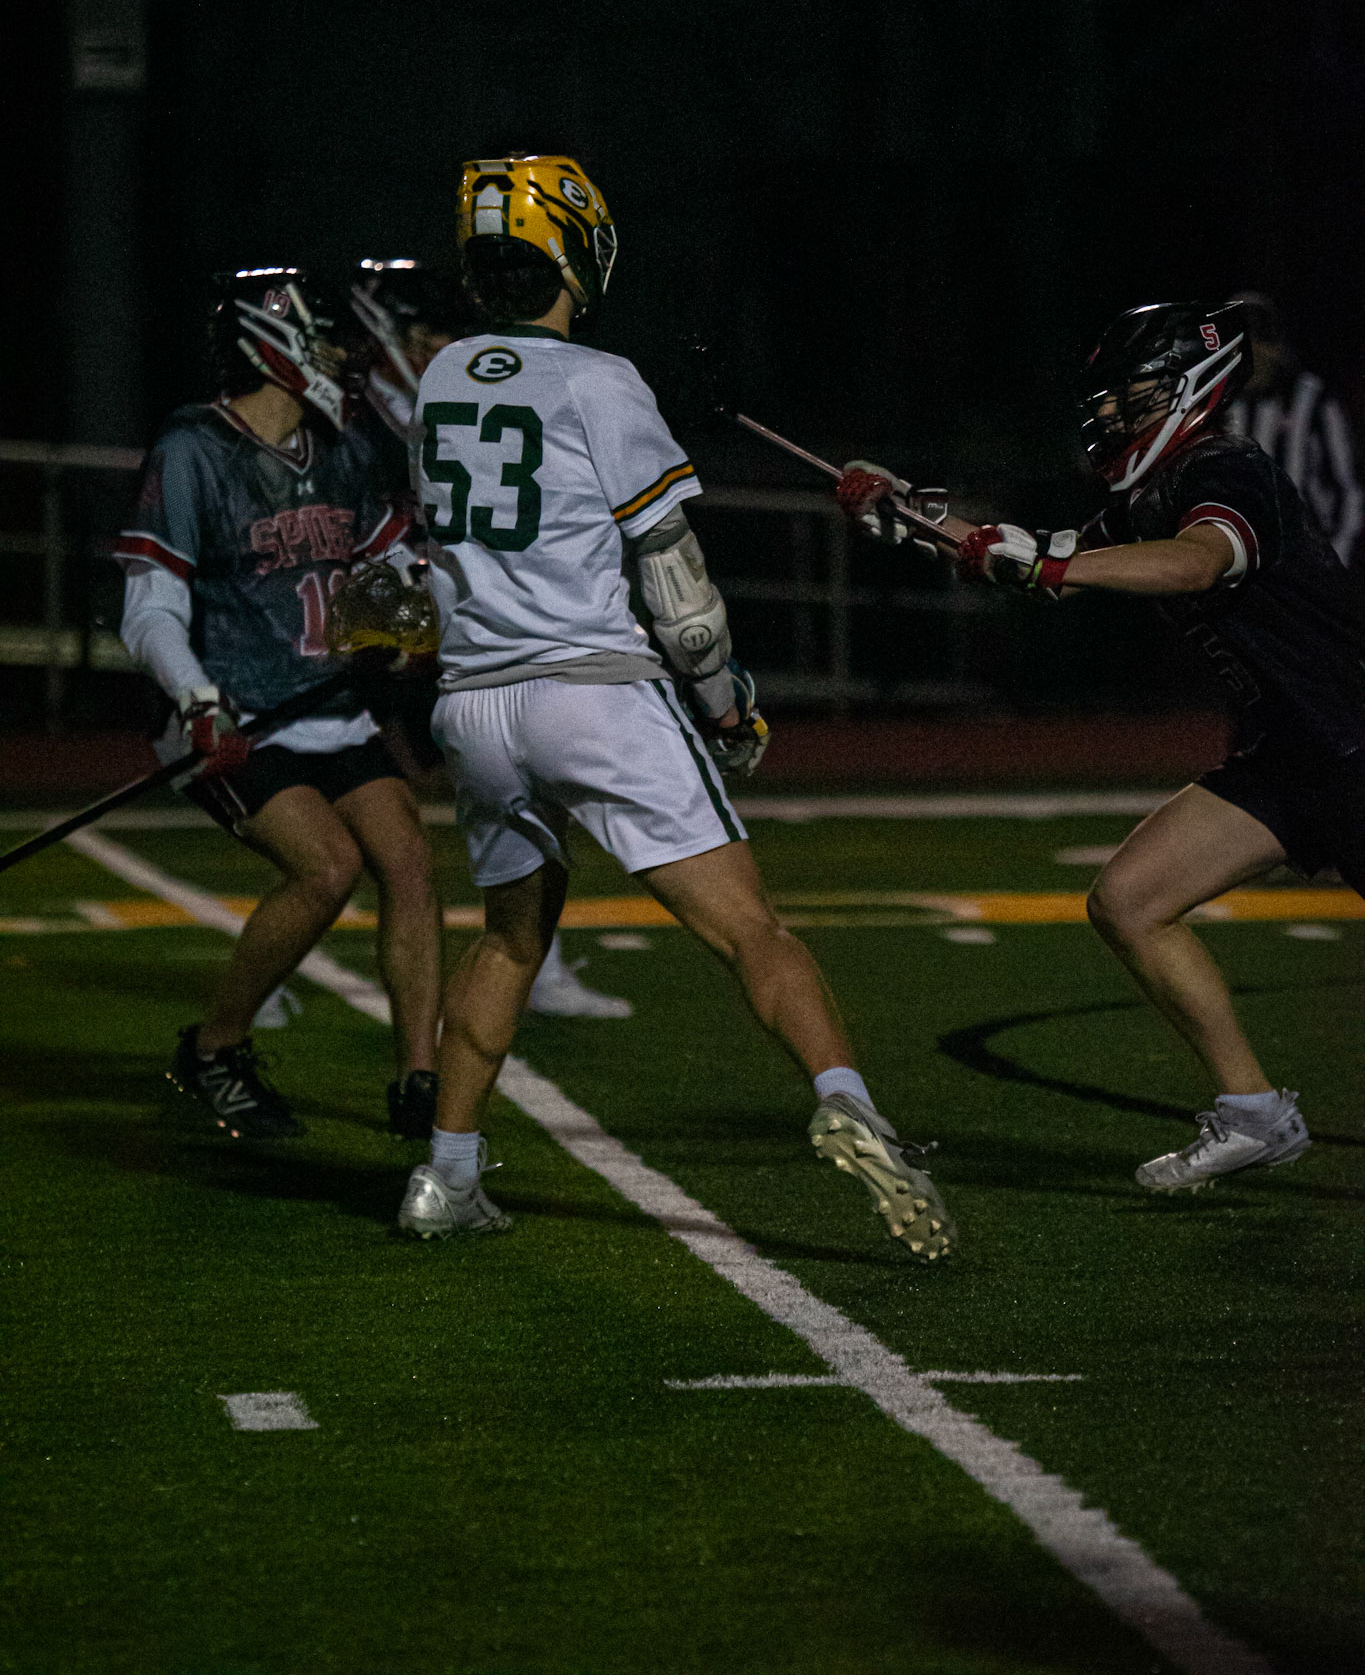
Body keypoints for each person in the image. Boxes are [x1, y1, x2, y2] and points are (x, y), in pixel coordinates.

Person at [397, 154, 955, 1258]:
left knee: (509, 938)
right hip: (590, 695)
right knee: (752, 930)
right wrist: (724, 700)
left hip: (475, 704)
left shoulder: (442, 374)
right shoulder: (601, 380)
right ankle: (851, 1105)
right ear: (579, 251)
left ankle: (444, 1174)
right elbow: (674, 579)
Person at [838, 299, 1365, 1192]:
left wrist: (1050, 562)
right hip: (1290, 754)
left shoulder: (1223, 466)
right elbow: (1044, 565)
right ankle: (1253, 1113)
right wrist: (910, 519)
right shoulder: (1151, 491)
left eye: (1134, 393)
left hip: (1351, 744)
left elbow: (1196, 561)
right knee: (1129, 900)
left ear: (1191, 385)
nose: (1114, 410)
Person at [116, 268, 443, 1141]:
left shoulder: (343, 444)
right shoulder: (194, 448)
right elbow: (149, 607)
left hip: (329, 707)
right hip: (237, 712)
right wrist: (197, 701)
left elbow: (378, 564)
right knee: (326, 868)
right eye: (326, 340)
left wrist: (401, 627)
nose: (342, 357)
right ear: (275, 343)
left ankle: (420, 1080)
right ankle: (214, 1047)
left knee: (408, 860)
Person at [350, 256, 631, 1021]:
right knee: (340, 801)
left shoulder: (440, 398)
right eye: (430, 333)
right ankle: (276, 964)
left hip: (456, 623)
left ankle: (539, 965)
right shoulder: (361, 413)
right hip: (388, 617)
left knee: (521, 794)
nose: (444, 347)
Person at [1222, 290, 1363, 567]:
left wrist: (1336, 557)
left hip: (1305, 557)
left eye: (1261, 340)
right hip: (1232, 558)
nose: (1254, 353)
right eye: (1243, 343)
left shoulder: (1312, 398)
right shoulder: (1212, 402)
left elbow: (1349, 489)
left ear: (1278, 346)